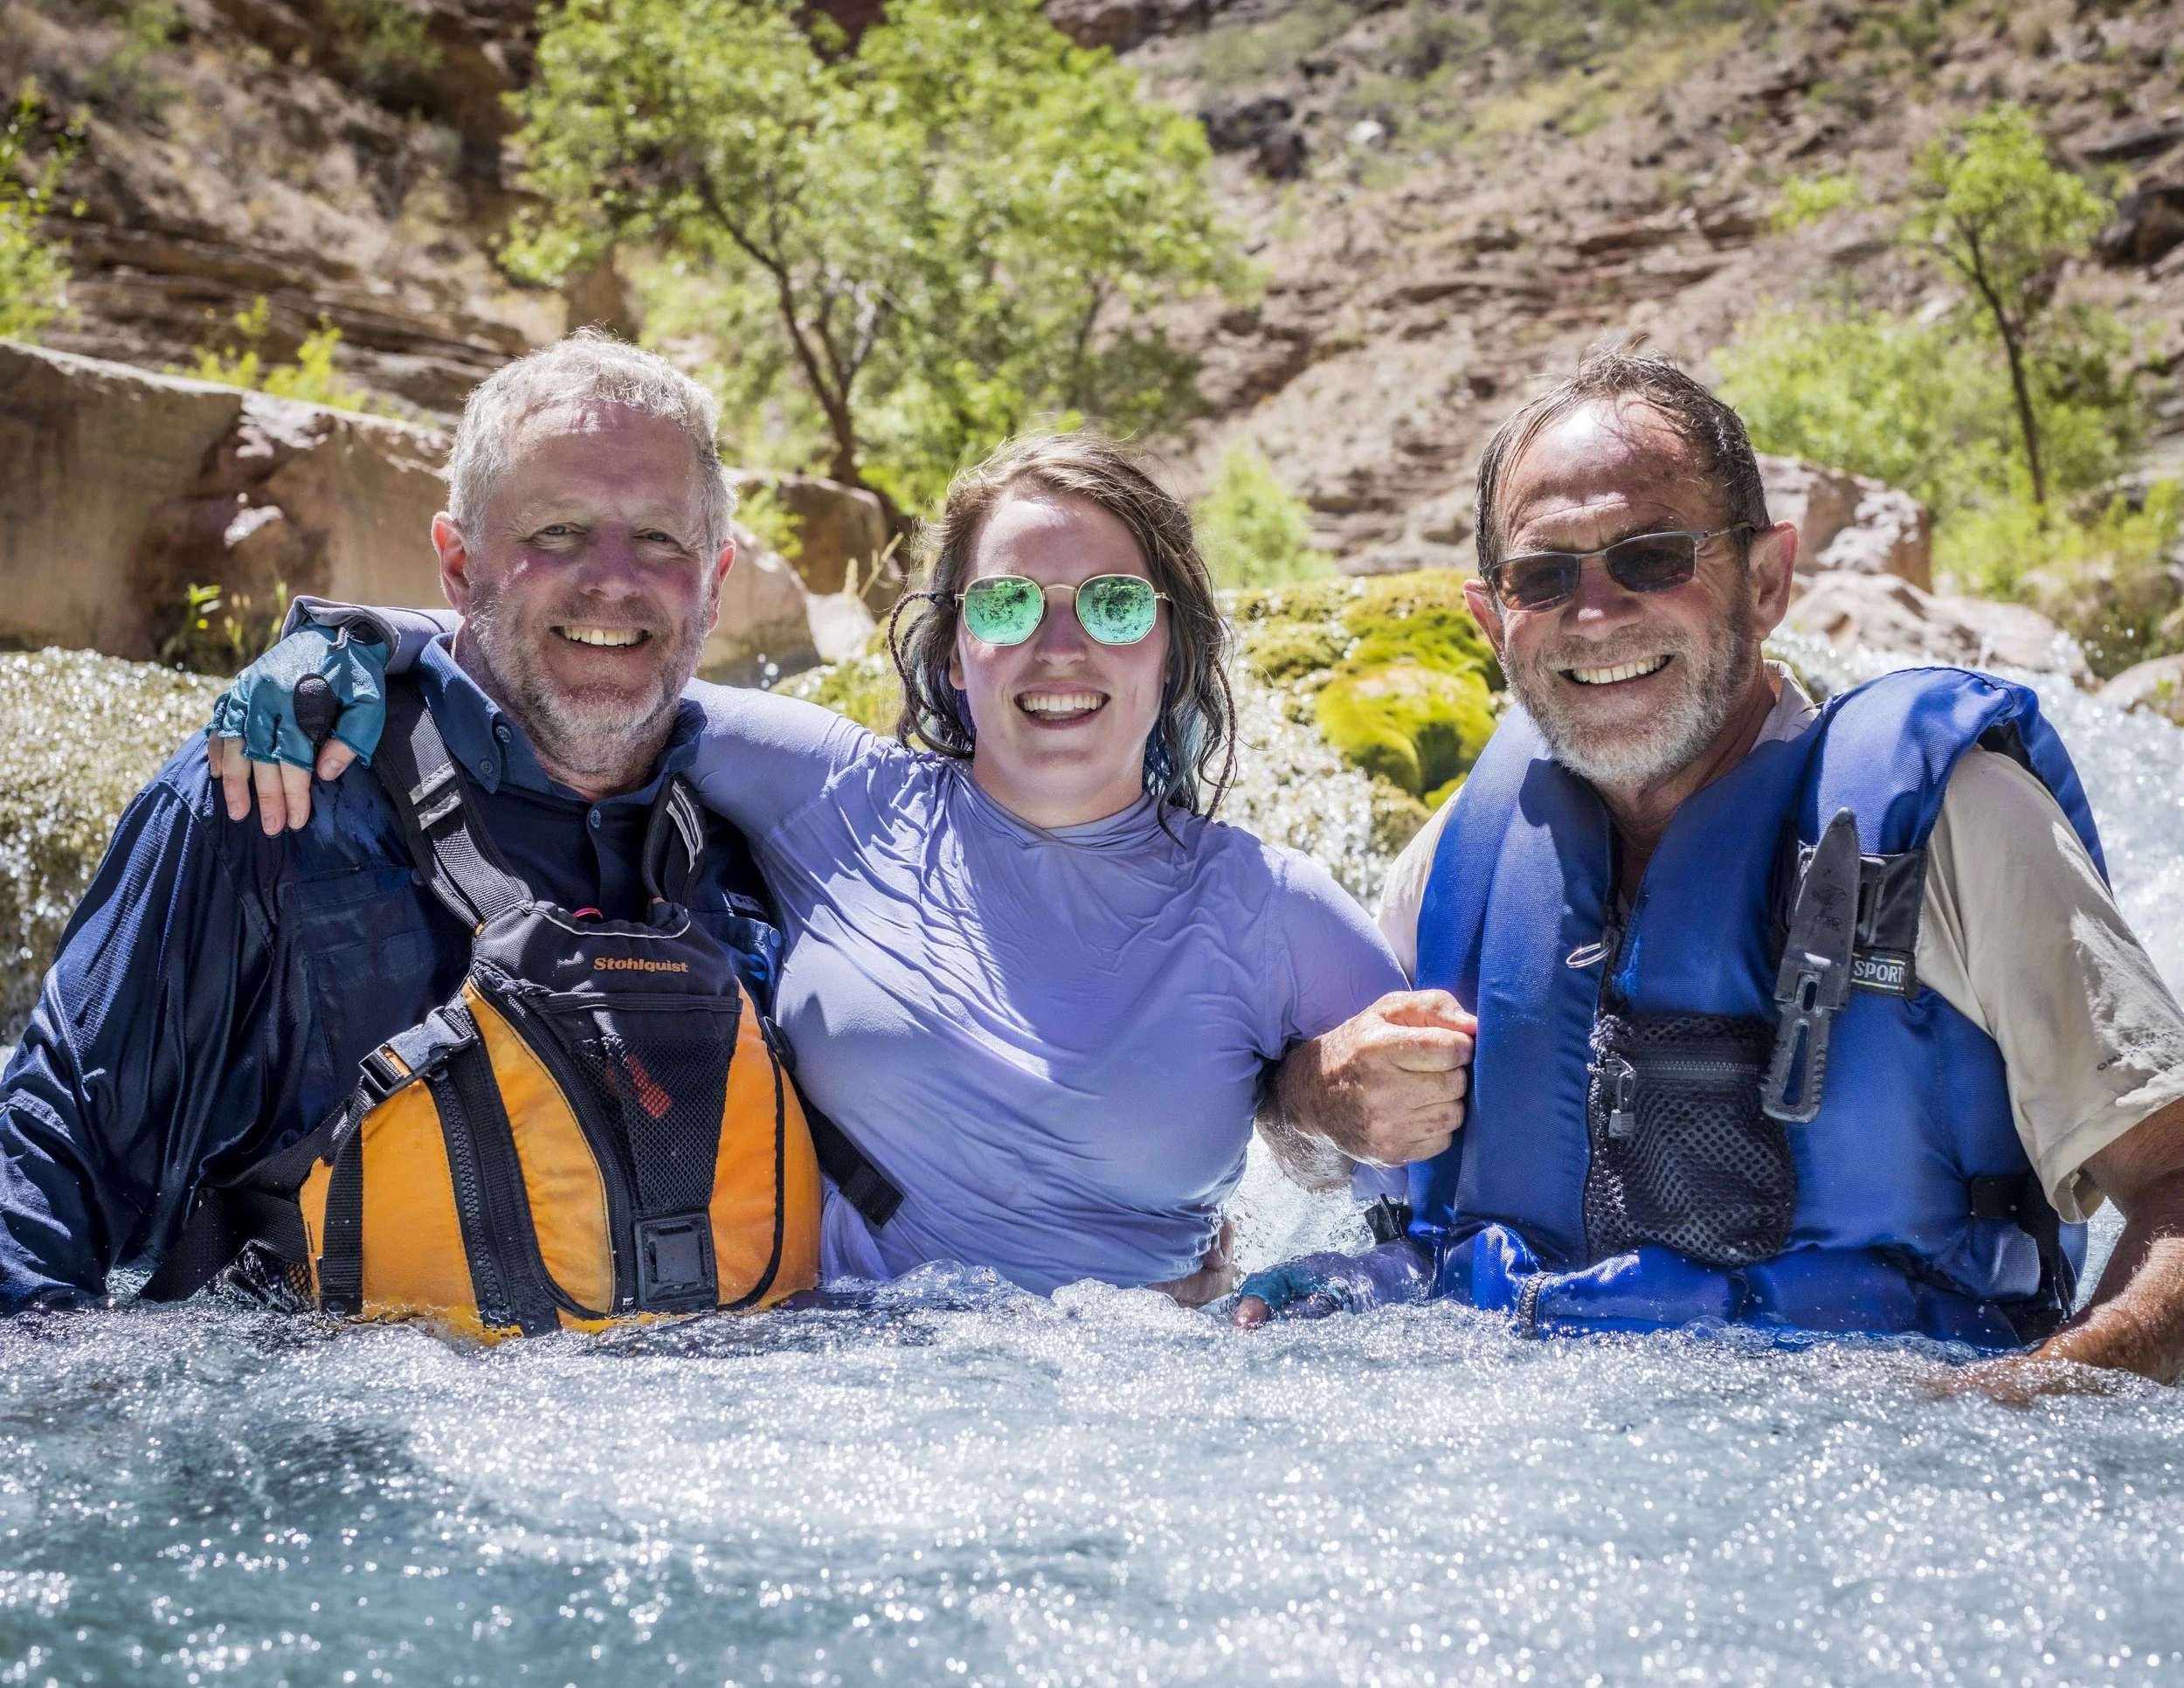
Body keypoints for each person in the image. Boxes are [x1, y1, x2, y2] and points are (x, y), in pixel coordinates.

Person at [211, 429, 1423, 1303]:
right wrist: (348, 641)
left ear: (1170, 646)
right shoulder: (838, 793)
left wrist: (1314, 1226)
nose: (1059, 648)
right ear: (953, 655)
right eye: (1007, 608)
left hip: (1131, 1411)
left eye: (1110, 605)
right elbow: (601, 662)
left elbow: (1435, 1209)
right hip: (819, 1396)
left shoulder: (1273, 909)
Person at [1236, 352, 2184, 1393]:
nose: (1594, 613)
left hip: (1884, 1469)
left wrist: (2040, 1394)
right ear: (1491, 619)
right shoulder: (1461, 864)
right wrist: (1308, 1095)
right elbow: (1318, 1163)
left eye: (1649, 558)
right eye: (1544, 576)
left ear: (1768, 580)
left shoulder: (1963, 826)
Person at [0, 333, 825, 1330]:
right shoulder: (270, 799)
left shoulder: (758, 849)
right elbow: (51, 1143)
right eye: (557, 530)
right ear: (456, 561)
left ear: (717, 577)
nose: (613, 579)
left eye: (660, 538)